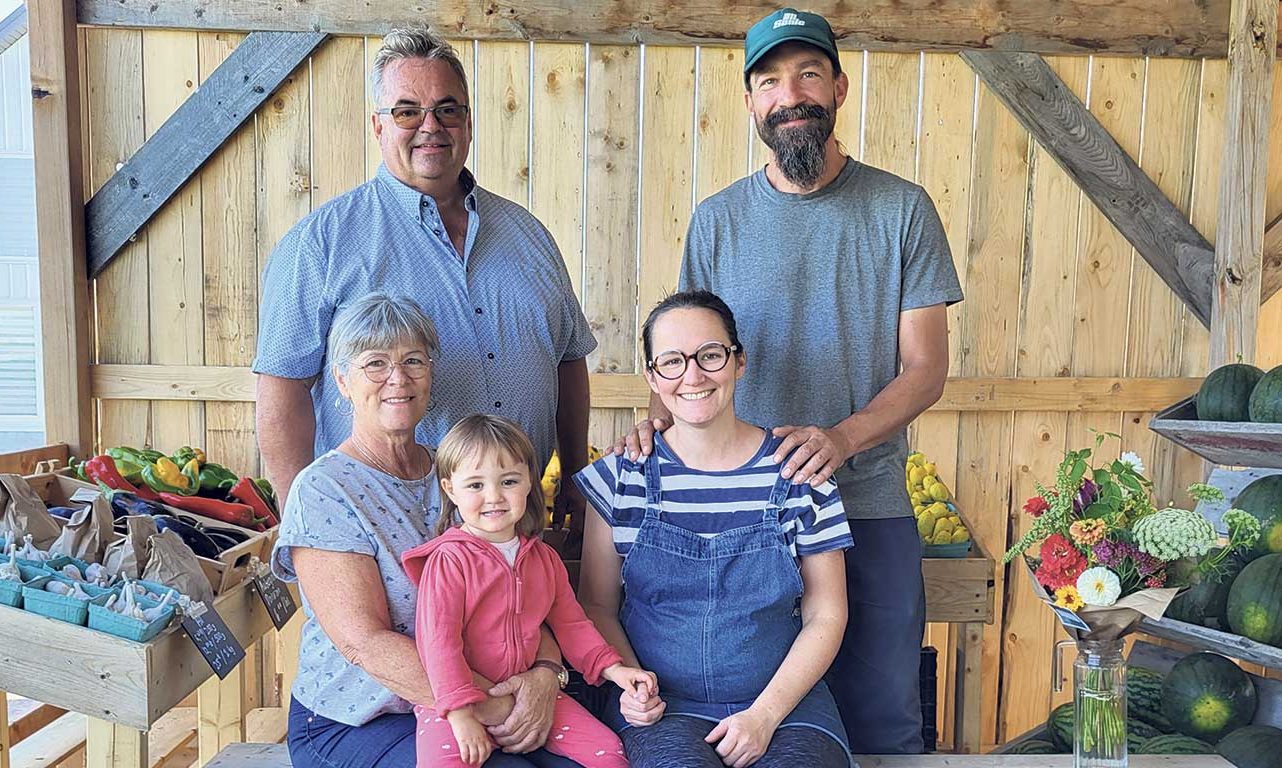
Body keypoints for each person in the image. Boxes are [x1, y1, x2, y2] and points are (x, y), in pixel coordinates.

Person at [622, 10, 963, 754]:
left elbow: (927, 368)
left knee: (883, 722)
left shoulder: (902, 210)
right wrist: (657, 421)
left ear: (839, 87)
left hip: (868, 499)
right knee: (746, 722)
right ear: (752, 103)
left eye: (809, 73)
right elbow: (686, 349)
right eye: (770, 80)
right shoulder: (718, 221)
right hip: (746, 516)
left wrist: (841, 439)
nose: (791, 93)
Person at [253, 25, 594, 544]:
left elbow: (569, 360)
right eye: (407, 110)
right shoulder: (321, 244)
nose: (430, 125)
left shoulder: (530, 235)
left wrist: (574, 474)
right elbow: (282, 390)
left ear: (469, 122)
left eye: (447, 109)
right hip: (387, 531)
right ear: (377, 126)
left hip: (518, 526)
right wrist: (303, 525)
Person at [272, 294, 580, 768]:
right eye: (375, 363)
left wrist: (545, 674)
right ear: (342, 381)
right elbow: (364, 643)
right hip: (364, 718)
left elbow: (523, 589)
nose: (398, 378)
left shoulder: (462, 476)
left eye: (413, 360)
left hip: (483, 697)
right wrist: (494, 707)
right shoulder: (325, 489)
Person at [576, 291, 854, 768]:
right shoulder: (621, 476)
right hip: (662, 708)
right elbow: (598, 604)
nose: (693, 375)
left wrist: (764, 715)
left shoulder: (800, 473)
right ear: (652, 376)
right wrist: (631, 683)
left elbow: (827, 615)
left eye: (709, 355)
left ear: (738, 361)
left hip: (786, 705)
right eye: (672, 361)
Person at [402, 415, 656, 767]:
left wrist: (615, 669)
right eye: (475, 485)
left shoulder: (544, 559)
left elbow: (573, 625)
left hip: (527, 691)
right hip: (454, 701)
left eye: (508, 481)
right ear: (449, 488)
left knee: (608, 754)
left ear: (528, 483)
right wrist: (460, 716)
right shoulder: (449, 561)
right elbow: (438, 645)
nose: (494, 497)